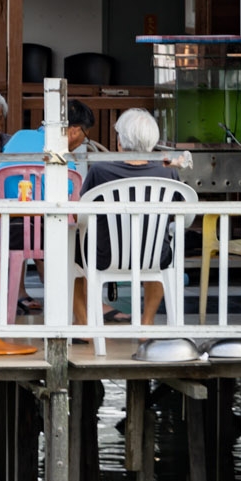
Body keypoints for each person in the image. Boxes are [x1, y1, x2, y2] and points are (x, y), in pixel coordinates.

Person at [71, 108, 181, 327]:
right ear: (152, 142)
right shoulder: (168, 173)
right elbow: (178, 215)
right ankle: (146, 323)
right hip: (153, 256)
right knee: (161, 245)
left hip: (105, 256)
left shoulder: (100, 171)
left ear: (120, 141)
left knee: (71, 255)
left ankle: (84, 325)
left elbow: (81, 214)